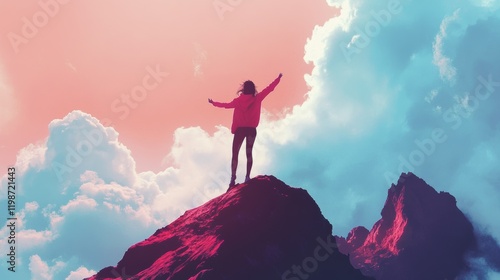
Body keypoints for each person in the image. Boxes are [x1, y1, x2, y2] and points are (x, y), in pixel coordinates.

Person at [209, 73, 283, 187]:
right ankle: (247, 177)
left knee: (235, 154)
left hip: (240, 131)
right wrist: (278, 79)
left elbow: (225, 105)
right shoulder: (258, 98)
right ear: (253, 89)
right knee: (249, 153)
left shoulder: (237, 101)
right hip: (251, 130)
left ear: (243, 89)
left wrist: (213, 103)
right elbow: (270, 89)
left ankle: (232, 178)